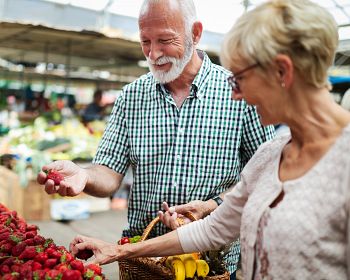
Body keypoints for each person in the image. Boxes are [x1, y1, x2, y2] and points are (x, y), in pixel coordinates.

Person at [69, 0, 350, 279]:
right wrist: (117, 252)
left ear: (282, 72)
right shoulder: (271, 155)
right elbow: (211, 229)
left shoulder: (342, 162)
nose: (236, 94)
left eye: (239, 79)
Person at [38, 0, 274, 277]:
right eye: (145, 41)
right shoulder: (131, 97)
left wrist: (212, 206)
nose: (153, 53)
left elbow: (266, 176)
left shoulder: (238, 93)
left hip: (212, 263)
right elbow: (109, 172)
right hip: (141, 260)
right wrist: (83, 176)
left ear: (195, 33)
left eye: (165, 40)